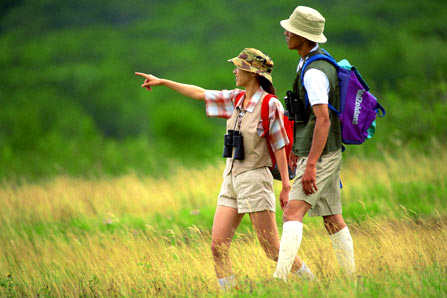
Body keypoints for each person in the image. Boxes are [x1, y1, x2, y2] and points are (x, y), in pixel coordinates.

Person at [135, 48, 314, 290]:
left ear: (252, 73)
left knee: (273, 250)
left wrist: (286, 186)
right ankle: (230, 293)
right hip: (230, 178)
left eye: (239, 67)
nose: (235, 70)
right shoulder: (235, 98)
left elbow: (280, 145)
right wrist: (164, 82)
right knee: (218, 246)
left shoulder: (269, 104)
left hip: (255, 179)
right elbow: (199, 93)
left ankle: (313, 283)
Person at [273, 6, 356, 281]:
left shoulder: (313, 73)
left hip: (320, 156)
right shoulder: (315, 61)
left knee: (292, 213)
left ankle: (280, 279)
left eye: (291, 30)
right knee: (332, 218)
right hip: (325, 152)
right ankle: (351, 280)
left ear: (303, 37)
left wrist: (310, 165)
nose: (286, 33)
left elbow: (322, 120)